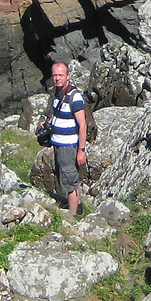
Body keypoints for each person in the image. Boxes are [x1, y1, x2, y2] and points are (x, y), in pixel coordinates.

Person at [49, 61, 88, 215]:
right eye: (55, 75)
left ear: (68, 76)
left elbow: (82, 125)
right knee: (68, 178)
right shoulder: (58, 93)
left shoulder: (75, 96)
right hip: (58, 144)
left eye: (60, 75)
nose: (57, 78)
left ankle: (73, 217)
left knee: (70, 181)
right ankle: (77, 210)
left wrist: (81, 151)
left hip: (68, 146)